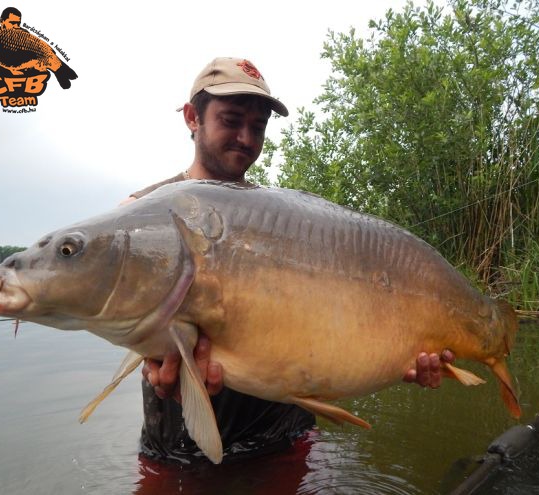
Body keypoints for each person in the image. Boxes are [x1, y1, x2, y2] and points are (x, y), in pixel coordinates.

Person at [121, 57, 456, 463]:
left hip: (286, 438)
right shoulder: (142, 213)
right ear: (193, 117)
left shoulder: (288, 219)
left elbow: (331, 329)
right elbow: (136, 331)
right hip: (178, 449)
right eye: (231, 120)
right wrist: (154, 366)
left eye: (258, 127)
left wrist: (397, 356)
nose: (246, 138)